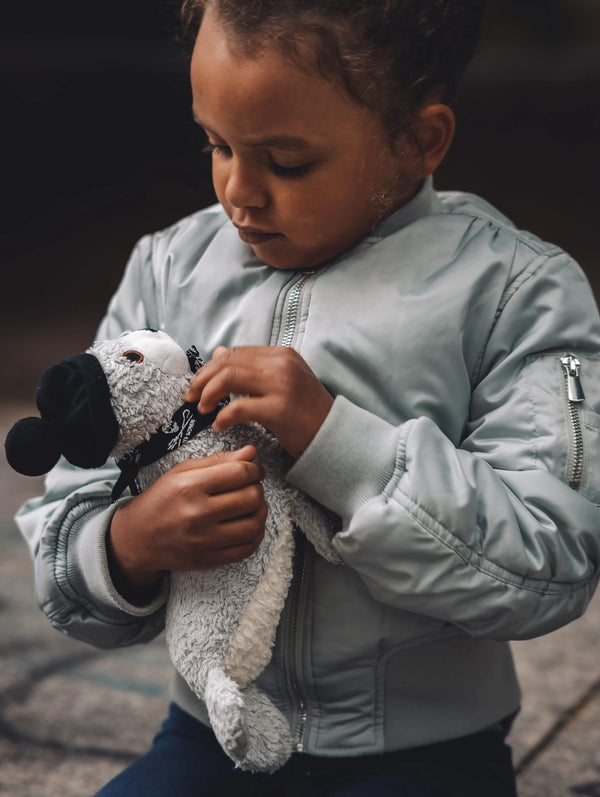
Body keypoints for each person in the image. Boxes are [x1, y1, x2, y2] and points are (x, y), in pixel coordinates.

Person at [15, 0, 600, 794]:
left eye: (286, 162)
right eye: (216, 144)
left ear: (419, 140)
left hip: (423, 755)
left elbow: (552, 560)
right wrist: (130, 543)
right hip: (207, 740)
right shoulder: (168, 269)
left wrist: (338, 444)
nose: (238, 194)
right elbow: (62, 531)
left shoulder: (514, 293)